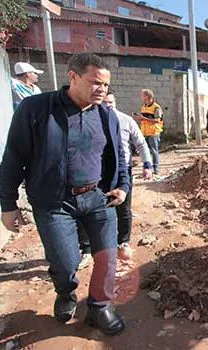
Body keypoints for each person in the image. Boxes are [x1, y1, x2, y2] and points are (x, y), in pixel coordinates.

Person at [0, 53, 129, 335]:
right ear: (72, 77)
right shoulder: (35, 109)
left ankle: (100, 306)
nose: (102, 90)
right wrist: (8, 204)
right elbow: (13, 157)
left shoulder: (107, 116)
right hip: (54, 203)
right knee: (64, 260)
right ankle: (66, 292)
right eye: (95, 82)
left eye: (105, 85)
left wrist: (122, 186)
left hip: (98, 197)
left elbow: (118, 155)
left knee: (107, 255)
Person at [78, 91, 153, 269]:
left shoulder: (125, 120)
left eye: (110, 102)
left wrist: (147, 164)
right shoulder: (89, 120)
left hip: (121, 171)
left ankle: (122, 241)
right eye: (104, 103)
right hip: (97, 174)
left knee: (123, 208)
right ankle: (87, 249)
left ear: (115, 102)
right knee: (88, 211)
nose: (108, 106)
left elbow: (140, 143)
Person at [134, 89, 163, 175]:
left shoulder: (156, 108)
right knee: (144, 151)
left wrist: (144, 118)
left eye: (143, 95)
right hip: (144, 132)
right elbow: (144, 120)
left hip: (153, 132)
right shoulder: (143, 107)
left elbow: (157, 120)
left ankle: (156, 169)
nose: (142, 97)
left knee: (154, 151)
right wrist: (138, 118)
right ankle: (147, 168)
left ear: (148, 96)